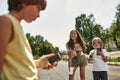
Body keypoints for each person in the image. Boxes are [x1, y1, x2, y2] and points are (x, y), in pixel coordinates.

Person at [0, 0, 58, 80]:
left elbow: (19, 65)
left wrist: (38, 63)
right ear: (24, 2)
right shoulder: (5, 22)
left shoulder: (18, 27)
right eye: (38, 9)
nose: (38, 15)